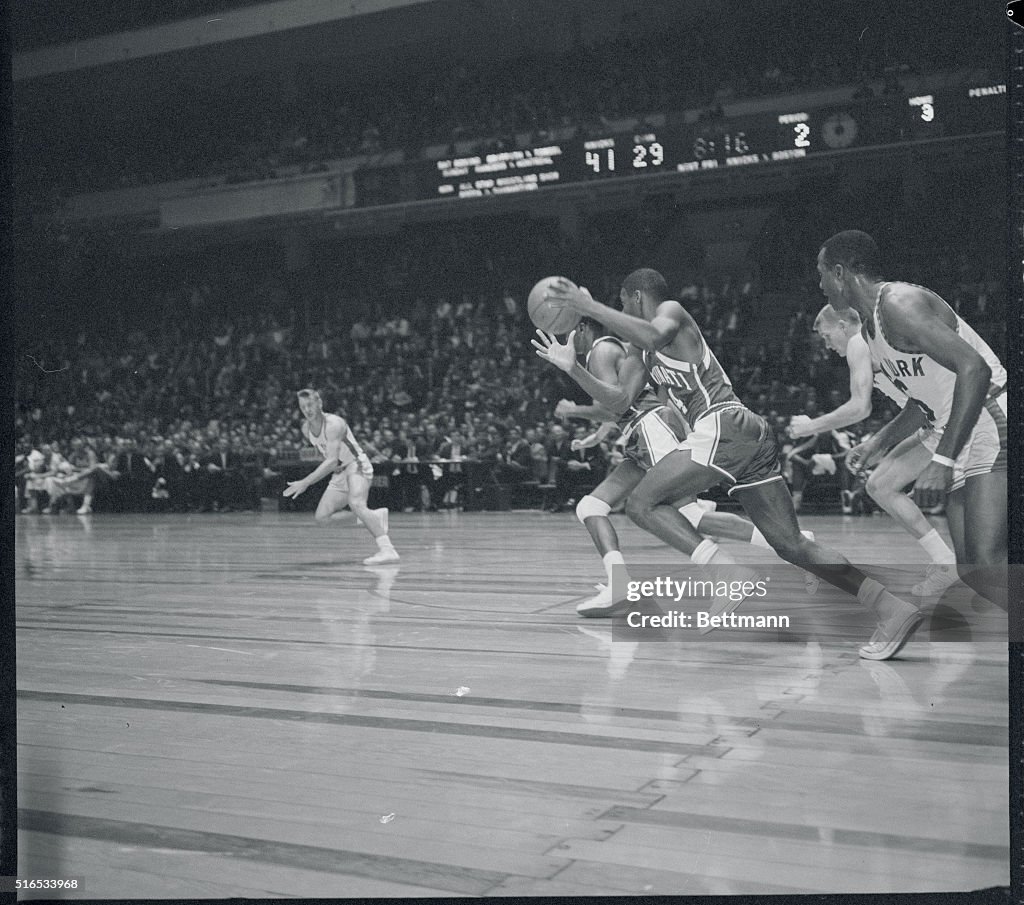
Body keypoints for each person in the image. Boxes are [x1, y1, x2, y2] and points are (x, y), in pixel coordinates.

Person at [537, 268, 923, 661]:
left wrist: (589, 307)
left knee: (641, 504)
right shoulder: (639, 352)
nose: (620, 310)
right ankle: (892, 608)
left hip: (725, 422)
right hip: (743, 437)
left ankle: (728, 575)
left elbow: (653, 333)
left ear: (635, 297)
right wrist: (573, 368)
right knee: (791, 546)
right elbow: (618, 402)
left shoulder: (670, 311)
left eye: (621, 303)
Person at [546, 316, 817, 616]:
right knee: (591, 508)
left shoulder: (600, 351)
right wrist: (593, 438)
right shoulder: (611, 351)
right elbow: (623, 406)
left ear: (583, 329)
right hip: (643, 432)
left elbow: (616, 405)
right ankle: (619, 586)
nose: (562, 339)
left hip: (650, 429)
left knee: (689, 514)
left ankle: (781, 548)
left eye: (565, 332)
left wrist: (574, 411)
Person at [816, 231, 1007, 609]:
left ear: (839, 273)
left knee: (986, 563)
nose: (820, 284)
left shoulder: (898, 303)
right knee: (971, 569)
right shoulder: (872, 330)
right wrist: (878, 442)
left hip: (989, 417)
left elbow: (975, 368)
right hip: (959, 427)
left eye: (820, 273)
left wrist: (942, 461)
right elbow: (922, 401)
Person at [789, 304, 959, 596]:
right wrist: (877, 442)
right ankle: (946, 563)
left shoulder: (858, 342)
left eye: (828, 336)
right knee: (880, 485)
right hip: (937, 418)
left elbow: (859, 407)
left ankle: (958, 566)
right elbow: (917, 406)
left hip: (957, 416)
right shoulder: (875, 346)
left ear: (844, 325)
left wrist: (809, 426)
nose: (828, 346)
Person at [283, 389, 399, 565]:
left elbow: (331, 461)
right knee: (322, 517)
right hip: (340, 472)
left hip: (356, 463)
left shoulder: (334, 424)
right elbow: (328, 455)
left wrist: (306, 482)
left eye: (310, 405)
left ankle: (387, 549)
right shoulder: (306, 428)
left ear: (319, 403)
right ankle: (374, 518)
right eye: (303, 406)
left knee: (356, 503)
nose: (307, 409)